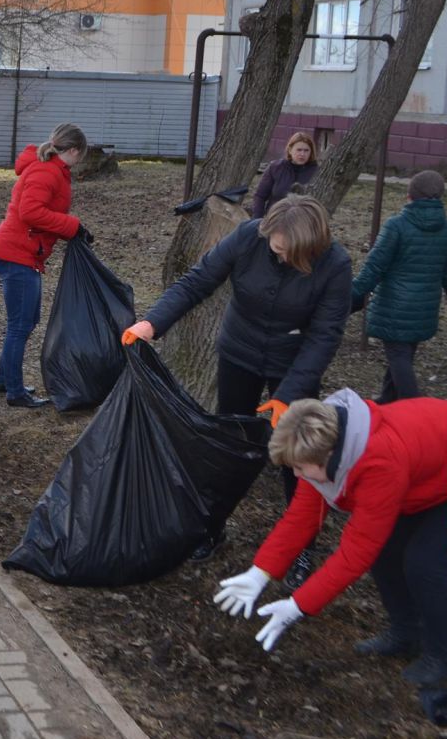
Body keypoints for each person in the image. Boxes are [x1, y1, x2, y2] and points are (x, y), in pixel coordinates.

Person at [123, 194, 352, 563]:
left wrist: (289, 394)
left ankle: (303, 547)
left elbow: (325, 335)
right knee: (228, 441)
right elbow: (196, 282)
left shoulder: (335, 264)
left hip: (294, 364)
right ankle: (211, 528)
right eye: (274, 248)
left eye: (286, 253)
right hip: (239, 353)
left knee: (300, 454)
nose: (278, 256)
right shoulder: (249, 237)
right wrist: (153, 322)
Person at [211, 392, 447, 689]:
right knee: (386, 554)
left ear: (327, 457)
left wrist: (298, 605)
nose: (296, 474)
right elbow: (300, 519)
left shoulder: (379, 461)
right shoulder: (323, 450)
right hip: (415, 479)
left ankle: (443, 654)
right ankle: (406, 632)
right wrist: (259, 572)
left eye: (300, 468)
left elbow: (355, 553)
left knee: (424, 564)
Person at [0, 123, 91, 408]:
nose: (79, 162)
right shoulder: (47, 171)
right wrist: (71, 226)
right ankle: (15, 392)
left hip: (24, 252)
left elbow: (42, 213)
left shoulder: (52, 169)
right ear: (72, 150)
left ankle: (5, 380)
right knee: (20, 326)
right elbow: (30, 212)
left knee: (25, 322)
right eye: (79, 155)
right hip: (17, 253)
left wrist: (70, 229)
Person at [352, 170, 447, 402]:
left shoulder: (396, 226)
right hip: (424, 310)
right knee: (403, 356)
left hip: (394, 308)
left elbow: (374, 267)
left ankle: (415, 407)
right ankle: (387, 400)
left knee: (399, 358)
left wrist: (350, 296)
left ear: (409, 195)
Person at [251, 131, 319, 217]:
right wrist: (257, 219)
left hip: (302, 221)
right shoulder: (276, 168)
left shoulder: (317, 172)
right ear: (290, 150)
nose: (302, 154)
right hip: (275, 218)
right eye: (299, 150)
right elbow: (260, 196)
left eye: (306, 150)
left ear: (311, 152)